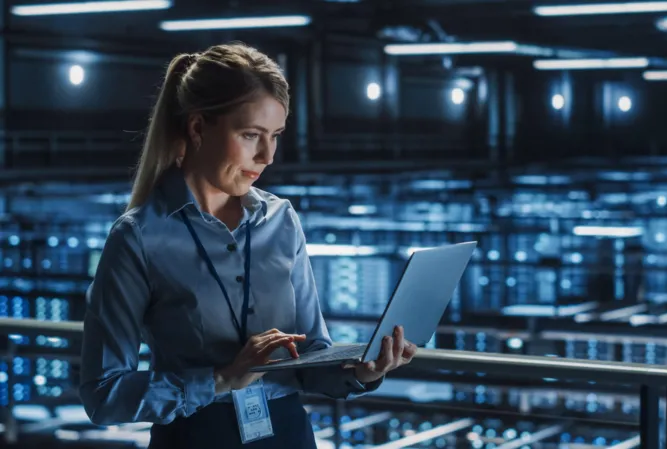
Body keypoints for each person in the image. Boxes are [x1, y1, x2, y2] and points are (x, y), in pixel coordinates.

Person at [79, 42, 418, 449]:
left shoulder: (282, 220)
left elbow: (310, 355)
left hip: (288, 433)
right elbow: (103, 394)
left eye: (275, 136)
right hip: (198, 437)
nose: (267, 155)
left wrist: (365, 372)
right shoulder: (138, 236)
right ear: (199, 127)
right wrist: (221, 379)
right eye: (251, 135)